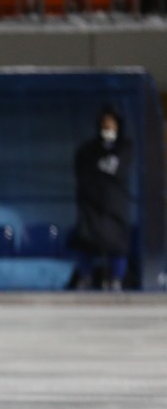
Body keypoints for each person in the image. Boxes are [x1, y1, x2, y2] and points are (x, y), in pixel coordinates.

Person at [69, 105, 133, 291]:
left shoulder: (125, 147)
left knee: (118, 244)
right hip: (91, 204)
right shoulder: (88, 149)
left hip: (115, 205)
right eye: (105, 124)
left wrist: (102, 169)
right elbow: (84, 173)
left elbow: (117, 170)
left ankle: (116, 280)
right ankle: (86, 277)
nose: (108, 127)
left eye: (112, 124)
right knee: (86, 240)